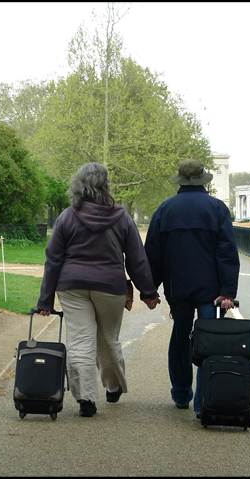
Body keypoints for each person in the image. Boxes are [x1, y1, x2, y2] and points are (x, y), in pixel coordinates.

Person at [37, 162, 161, 417]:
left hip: (71, 287)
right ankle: (113, 386)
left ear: (78, 185)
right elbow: (137, 260)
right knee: (108, 339)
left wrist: (45, 301)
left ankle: (86, 398)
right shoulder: (122, 217)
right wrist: (148, 292)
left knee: (80, 341)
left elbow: (53, 259)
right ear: (106, 185)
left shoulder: (66, 217)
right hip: (110, 286)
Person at [145, 158, 239, 418]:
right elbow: (227, 252)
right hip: (212, 290)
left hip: (179, 288)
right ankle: (203, 401)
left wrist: (150, 290)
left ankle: (181, 392)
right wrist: (228, 291)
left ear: (180, 181)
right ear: (203, 181)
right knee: (209, 341)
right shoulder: (217, 209)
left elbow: (153, 253)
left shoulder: (165, 209)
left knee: (181, 337)